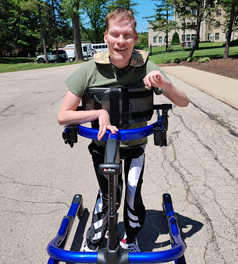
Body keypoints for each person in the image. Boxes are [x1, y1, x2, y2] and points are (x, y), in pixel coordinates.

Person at [57, 8, 189, 252]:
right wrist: (98, 113)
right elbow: (63, 115)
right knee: (110, 195)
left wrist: (165, 84)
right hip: (103, 147)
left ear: (135, 38)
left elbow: (183, 102)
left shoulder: (147, 65)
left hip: (135, 146)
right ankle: (92, 242)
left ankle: (131, 238)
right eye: (115, 35)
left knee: (131, 193)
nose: (121, 41)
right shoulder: (89, 70)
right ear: (106, 37)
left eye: (127, 35)